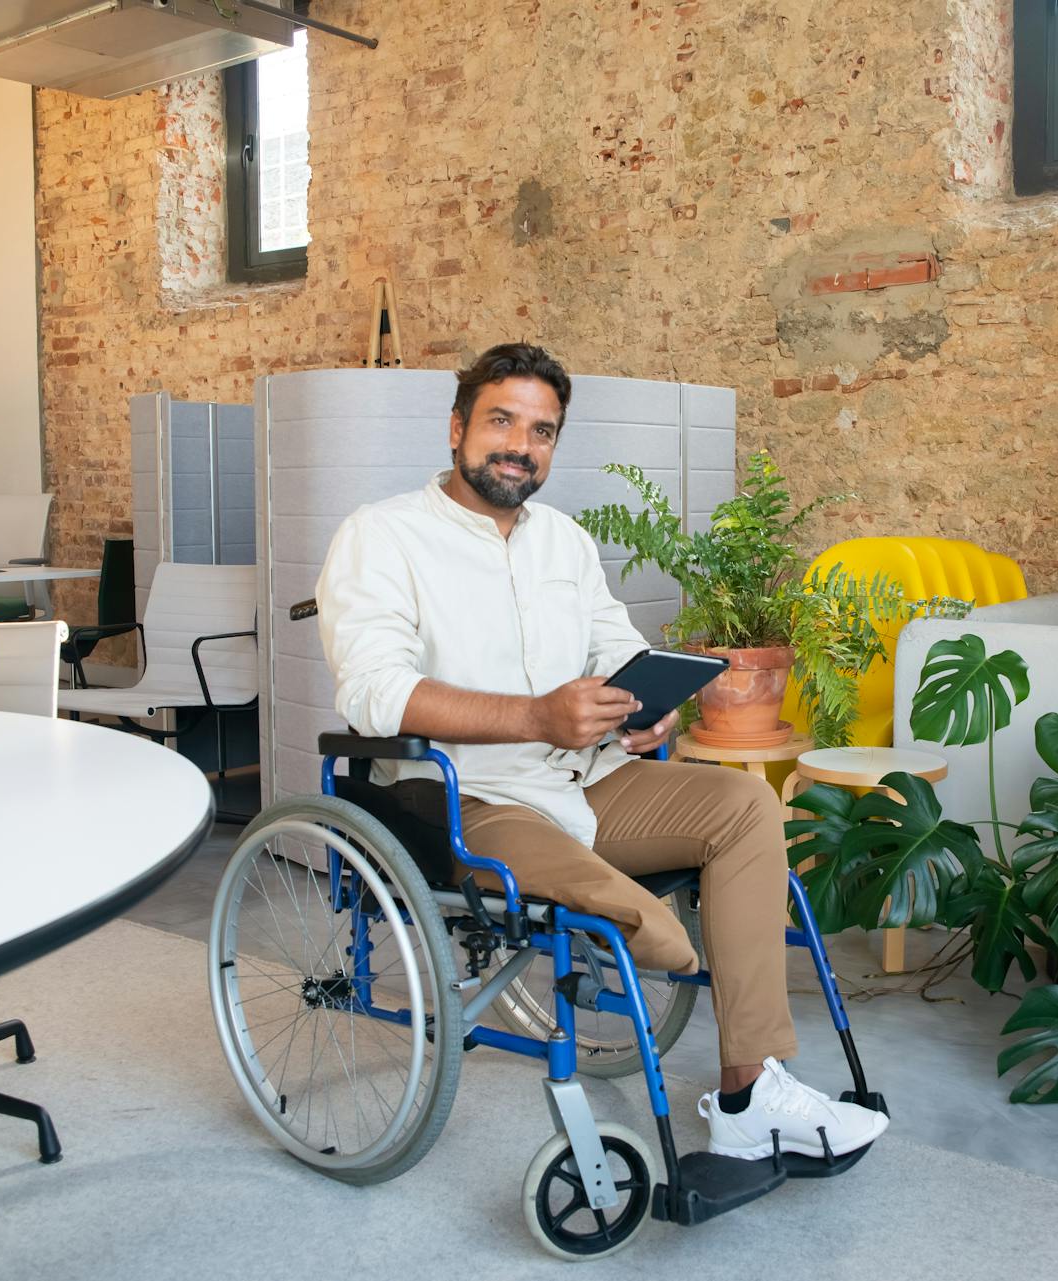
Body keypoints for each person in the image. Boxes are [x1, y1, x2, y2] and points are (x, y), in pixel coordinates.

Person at [315, 342, 887, 1160]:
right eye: (501, 421)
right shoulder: (381, 536)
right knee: (631, 915)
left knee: (745, 805)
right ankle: (665, 937)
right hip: (466, 798)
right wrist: (536, 717)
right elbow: (373, 693)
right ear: (455, 429)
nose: (520, 444)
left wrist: (645, 712)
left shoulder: (565, 543)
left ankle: (749, 1090)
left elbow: (617, 649)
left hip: (590, 778)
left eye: (542, 430)